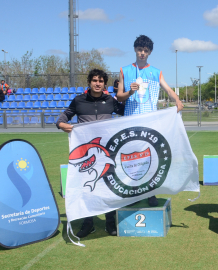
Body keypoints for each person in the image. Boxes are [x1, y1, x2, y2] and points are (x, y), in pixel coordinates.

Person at [116, 35, 183, 206]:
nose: (142, 53)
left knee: (150, 158)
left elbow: (168, 89)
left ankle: (150, 192)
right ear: (135, 50)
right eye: (140, 49)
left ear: (150, 52)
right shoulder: (125, 70)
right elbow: (119, 98)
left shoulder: (156, 71)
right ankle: (132, 193)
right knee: (131, 159)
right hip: (130, 123)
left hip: (150, 123)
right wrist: (130, 92)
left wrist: (177, 100)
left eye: (146, 50)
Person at [57, 69, 124, 238]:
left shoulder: (110, 101)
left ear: (105, 84)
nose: (97, 83)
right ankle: (88, 224)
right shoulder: (78, 100)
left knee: (108, 189)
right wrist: (61, 125)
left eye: (101, 81)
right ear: (89, 82)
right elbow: (63, 118)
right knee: (86, 189)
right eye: (94, 80)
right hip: (86, 156)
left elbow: (128, 114)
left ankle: (110, 224)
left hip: (106, 153)